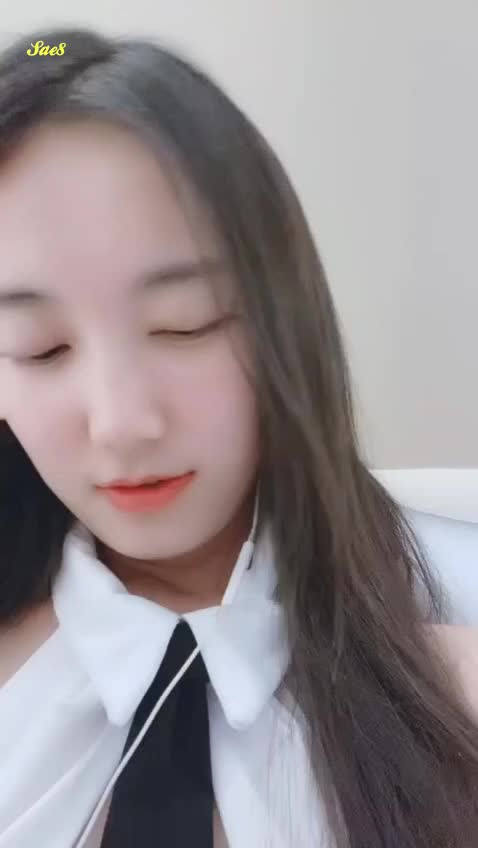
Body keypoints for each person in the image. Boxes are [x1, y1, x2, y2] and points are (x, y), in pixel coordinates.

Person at [0, 25, 478, 848]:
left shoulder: (452, 700)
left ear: (286, 322)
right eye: (40, 347)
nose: (122, 423)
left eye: (185, 324)